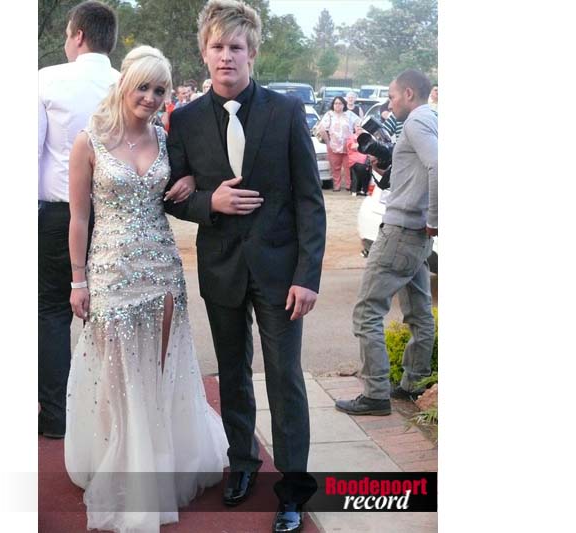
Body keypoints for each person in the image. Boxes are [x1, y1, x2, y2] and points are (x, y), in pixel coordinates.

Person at [163, 2, 326, 531]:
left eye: (236, 47)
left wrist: (307, 276)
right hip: (221, 268)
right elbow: (170, 195)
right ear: (204, 54)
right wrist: (208, 202)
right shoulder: (185, 120)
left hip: (282, 274)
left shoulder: (286, 112)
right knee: (232, 374)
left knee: (284, 380)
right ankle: (242, 463)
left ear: (252, 52)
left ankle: (293, 491)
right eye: (217, 47)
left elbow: (310, 201)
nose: (226, 56)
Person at [64, 45, 229, 532]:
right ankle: (123, 467)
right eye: (144, 87)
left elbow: (189, 182)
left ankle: (158, 463)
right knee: (118, 375)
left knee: (158, 369)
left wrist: (191, 178)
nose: (152, 98)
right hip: (110, 271)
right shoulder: (88, 141)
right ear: (124, 85)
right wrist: (78, 279)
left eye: (160, 90)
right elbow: (78, 218)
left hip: (161, 268)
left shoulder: (164, 138)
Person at [38, 0, 119, 440]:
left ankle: (56, 414)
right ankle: (108, 414)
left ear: (79, 35)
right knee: (107, 312)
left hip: (58, 213)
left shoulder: (46, 80)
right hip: (114, 214)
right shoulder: (126, 83)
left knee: (51, 311)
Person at [336, 68, 438, 416]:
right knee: (419, 312)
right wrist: (387, 167)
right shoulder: (432, 120)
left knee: (367, 312)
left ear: (409, 93)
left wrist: (435, 219)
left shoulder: (416, 121)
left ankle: (375, 394)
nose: (389, 104)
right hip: (417, 237)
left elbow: (438, 166)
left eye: (392, 96)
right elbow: (418, 171)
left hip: (401, 232)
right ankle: (414, 383)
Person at [318, 95, 360, 192]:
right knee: (335, 167)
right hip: (333, 146)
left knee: (348, 167)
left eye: (340, 103)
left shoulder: (349, 114)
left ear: (344, 105)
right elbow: (322, 128)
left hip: (348, 146)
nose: (337, 105)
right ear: (333, 105)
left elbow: (359, 124)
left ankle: (349, 185)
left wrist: (356, 137)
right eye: (335, 103)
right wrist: (327, 142)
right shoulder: (329, 115)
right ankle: (336, 186)